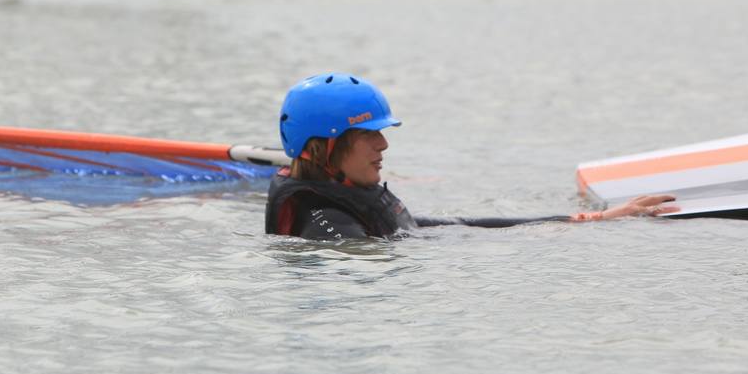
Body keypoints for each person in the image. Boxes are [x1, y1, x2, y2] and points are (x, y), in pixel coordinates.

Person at [265, 73, 675, 241]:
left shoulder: (344, 200)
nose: (384, 146)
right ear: (328, 145)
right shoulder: (327, 225)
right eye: (370, 135)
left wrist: (596, 218)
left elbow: (451, 225)